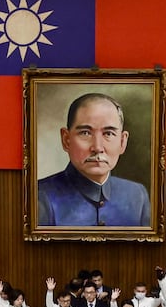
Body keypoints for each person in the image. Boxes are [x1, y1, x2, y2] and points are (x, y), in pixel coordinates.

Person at [37, 92, 150, 227]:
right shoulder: (40, 196)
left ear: (122, 142)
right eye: (85, 133)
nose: (97, 147)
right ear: (66, 140)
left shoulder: (137, 195)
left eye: (108, 133)